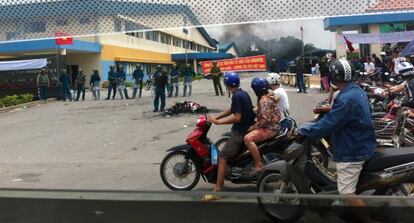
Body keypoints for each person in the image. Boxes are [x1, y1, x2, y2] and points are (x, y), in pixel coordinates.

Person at [300, 59, 376, 221]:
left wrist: (303, 129)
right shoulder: (356, 91)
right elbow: (343, 112)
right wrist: (328, 109)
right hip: (364, 143)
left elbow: (327, 126)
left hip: (353, 151)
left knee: (346, 192)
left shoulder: (346, 97)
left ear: (333, 77)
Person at [203, 72, 255, 201]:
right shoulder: (242, 93)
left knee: (222, 157)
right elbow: (232, 110)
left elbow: (237, 117)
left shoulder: (237, 96)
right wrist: (217, 117)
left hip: (240, 132)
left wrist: (219, 122)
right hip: (247, 128)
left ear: (227, 84)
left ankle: (218, 189)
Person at [244, 78, 281, 174]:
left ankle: (258, 163)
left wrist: (254, 127)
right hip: (274, 125)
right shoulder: (270, 95)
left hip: (270, 128)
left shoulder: (263, 100)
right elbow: (264, 109)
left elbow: (265, 119)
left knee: (248, 139)